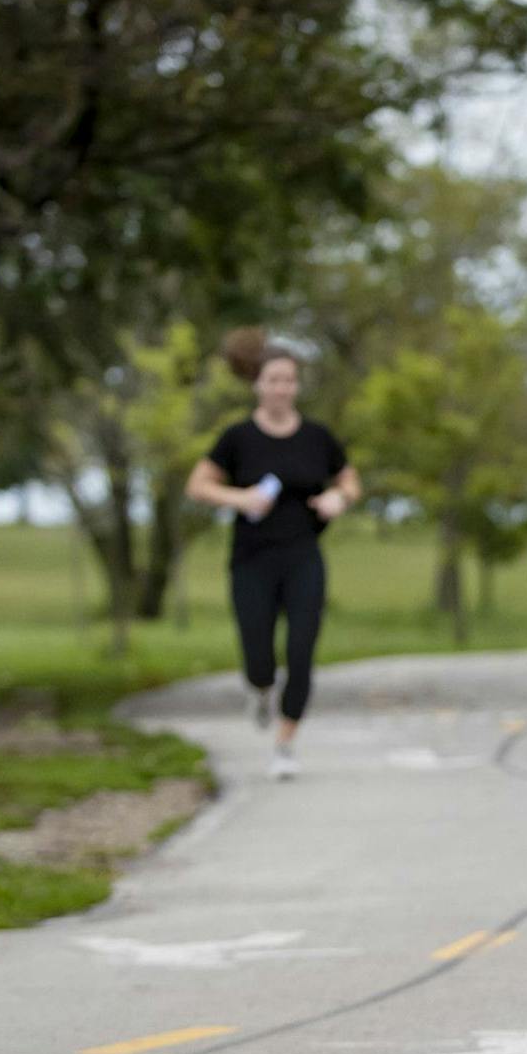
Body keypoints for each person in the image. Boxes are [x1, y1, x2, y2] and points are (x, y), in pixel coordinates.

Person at [185, 330, 361, 780]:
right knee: (259, 655)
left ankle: (285, 744)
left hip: (303, 555)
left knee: (301, 649)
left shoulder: (317, 437)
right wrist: (240, 499)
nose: (282, 388)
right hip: (252, 559)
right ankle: (260, 687)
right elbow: (198, 485)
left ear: (296, 386)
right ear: (257, 385)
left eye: (289, 380)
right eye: (273, 379)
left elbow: (349, 482)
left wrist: (338, 500)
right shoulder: (238, 438)